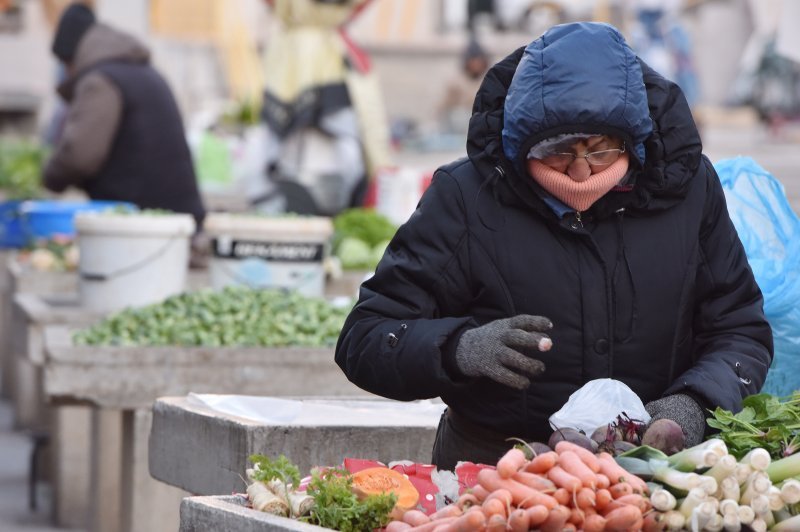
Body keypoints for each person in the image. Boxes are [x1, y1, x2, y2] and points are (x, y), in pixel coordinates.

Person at [334, 22, 773, 471]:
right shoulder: (466, 196)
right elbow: (365, 337)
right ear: (520, 143)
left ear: (634, 141)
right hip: (493, 475)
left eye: (600, 150)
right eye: (559, 150)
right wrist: (458, 349)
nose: (581, 173)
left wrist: (694, 402)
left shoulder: (689, 191)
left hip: (655, 472)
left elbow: (740, 329)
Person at [42, 3, 206, 230]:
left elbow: (80, 155)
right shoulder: (142, 71)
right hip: (176, 221)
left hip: (145, 227)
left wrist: (47, 177)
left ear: (71, 56)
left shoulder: (100, 82)